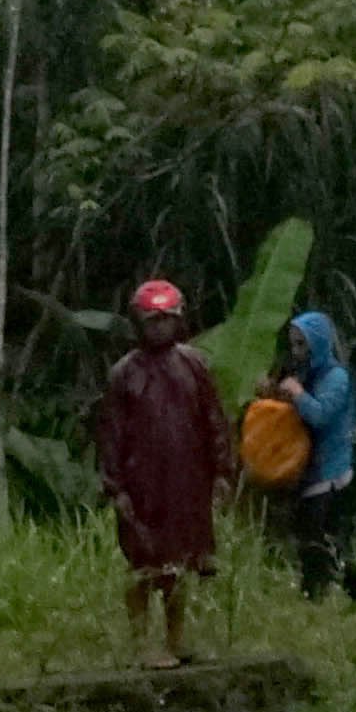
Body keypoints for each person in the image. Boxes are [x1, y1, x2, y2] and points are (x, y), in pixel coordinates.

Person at [92, 276, 237, 661]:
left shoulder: (194, 365)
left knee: (181, 565)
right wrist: (116, 488)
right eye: (152, 320)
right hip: (142, 488)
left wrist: (222, 472)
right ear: (138, 323)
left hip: (187, 483)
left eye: (165, 319)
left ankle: (176, 641)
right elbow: (110, 435)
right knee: (143, 565)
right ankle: (142, 646)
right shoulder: (124, 373)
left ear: (178, 321)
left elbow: (214, 422)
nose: (159, 327)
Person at [267, 309, 356, 606]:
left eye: (302, 344)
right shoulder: (305, 373)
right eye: (294, 344)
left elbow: (320, 415)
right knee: (315, 539)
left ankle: (329, 594)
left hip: (330, 470)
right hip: (307, 468)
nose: (297, 351)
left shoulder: (335, 377)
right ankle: (331, 593)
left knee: (319, 539)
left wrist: (297, 394)